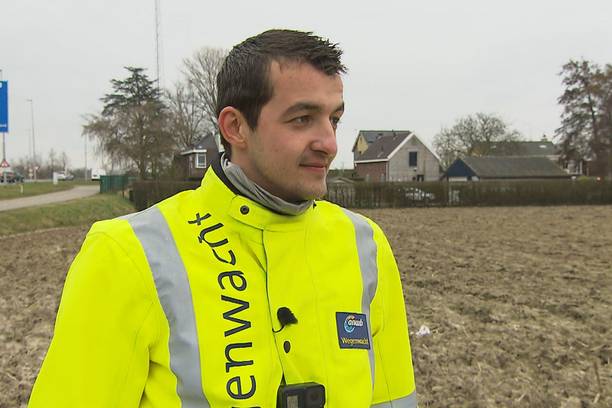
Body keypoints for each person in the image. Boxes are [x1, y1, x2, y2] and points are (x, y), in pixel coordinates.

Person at [28, 29, 417, 407]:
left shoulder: (366, 247)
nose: (329, 144)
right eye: (302, 119)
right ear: (235, 127)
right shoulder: (127, 254)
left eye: (334, 119)